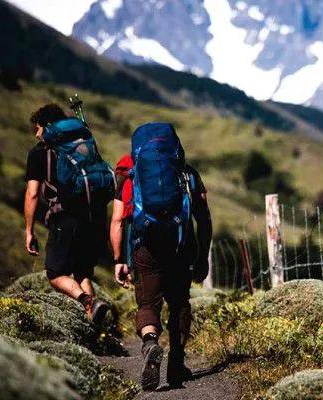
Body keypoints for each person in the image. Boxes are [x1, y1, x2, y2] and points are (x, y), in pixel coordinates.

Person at [110, 123, 212, 390]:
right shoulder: (187, 174)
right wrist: (203, 257)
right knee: (179, 303)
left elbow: (118, 221)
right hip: (181, 245)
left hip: (145, 247)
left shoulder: (130, 175)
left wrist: (119, 259)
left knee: (147, 304)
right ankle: (177, 361)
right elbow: (204, 219)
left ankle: (150, 343)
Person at [23, 103, 111, 323]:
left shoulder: (40, 153)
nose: (36, 134)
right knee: (82, 273)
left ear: (47, 126)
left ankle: (88, 302)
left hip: (65, 217)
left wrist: (28, 230)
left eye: (37, 128)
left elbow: (33, 194)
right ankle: (96, 325)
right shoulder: (84, 144)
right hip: (94, 216)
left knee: (55, 273)